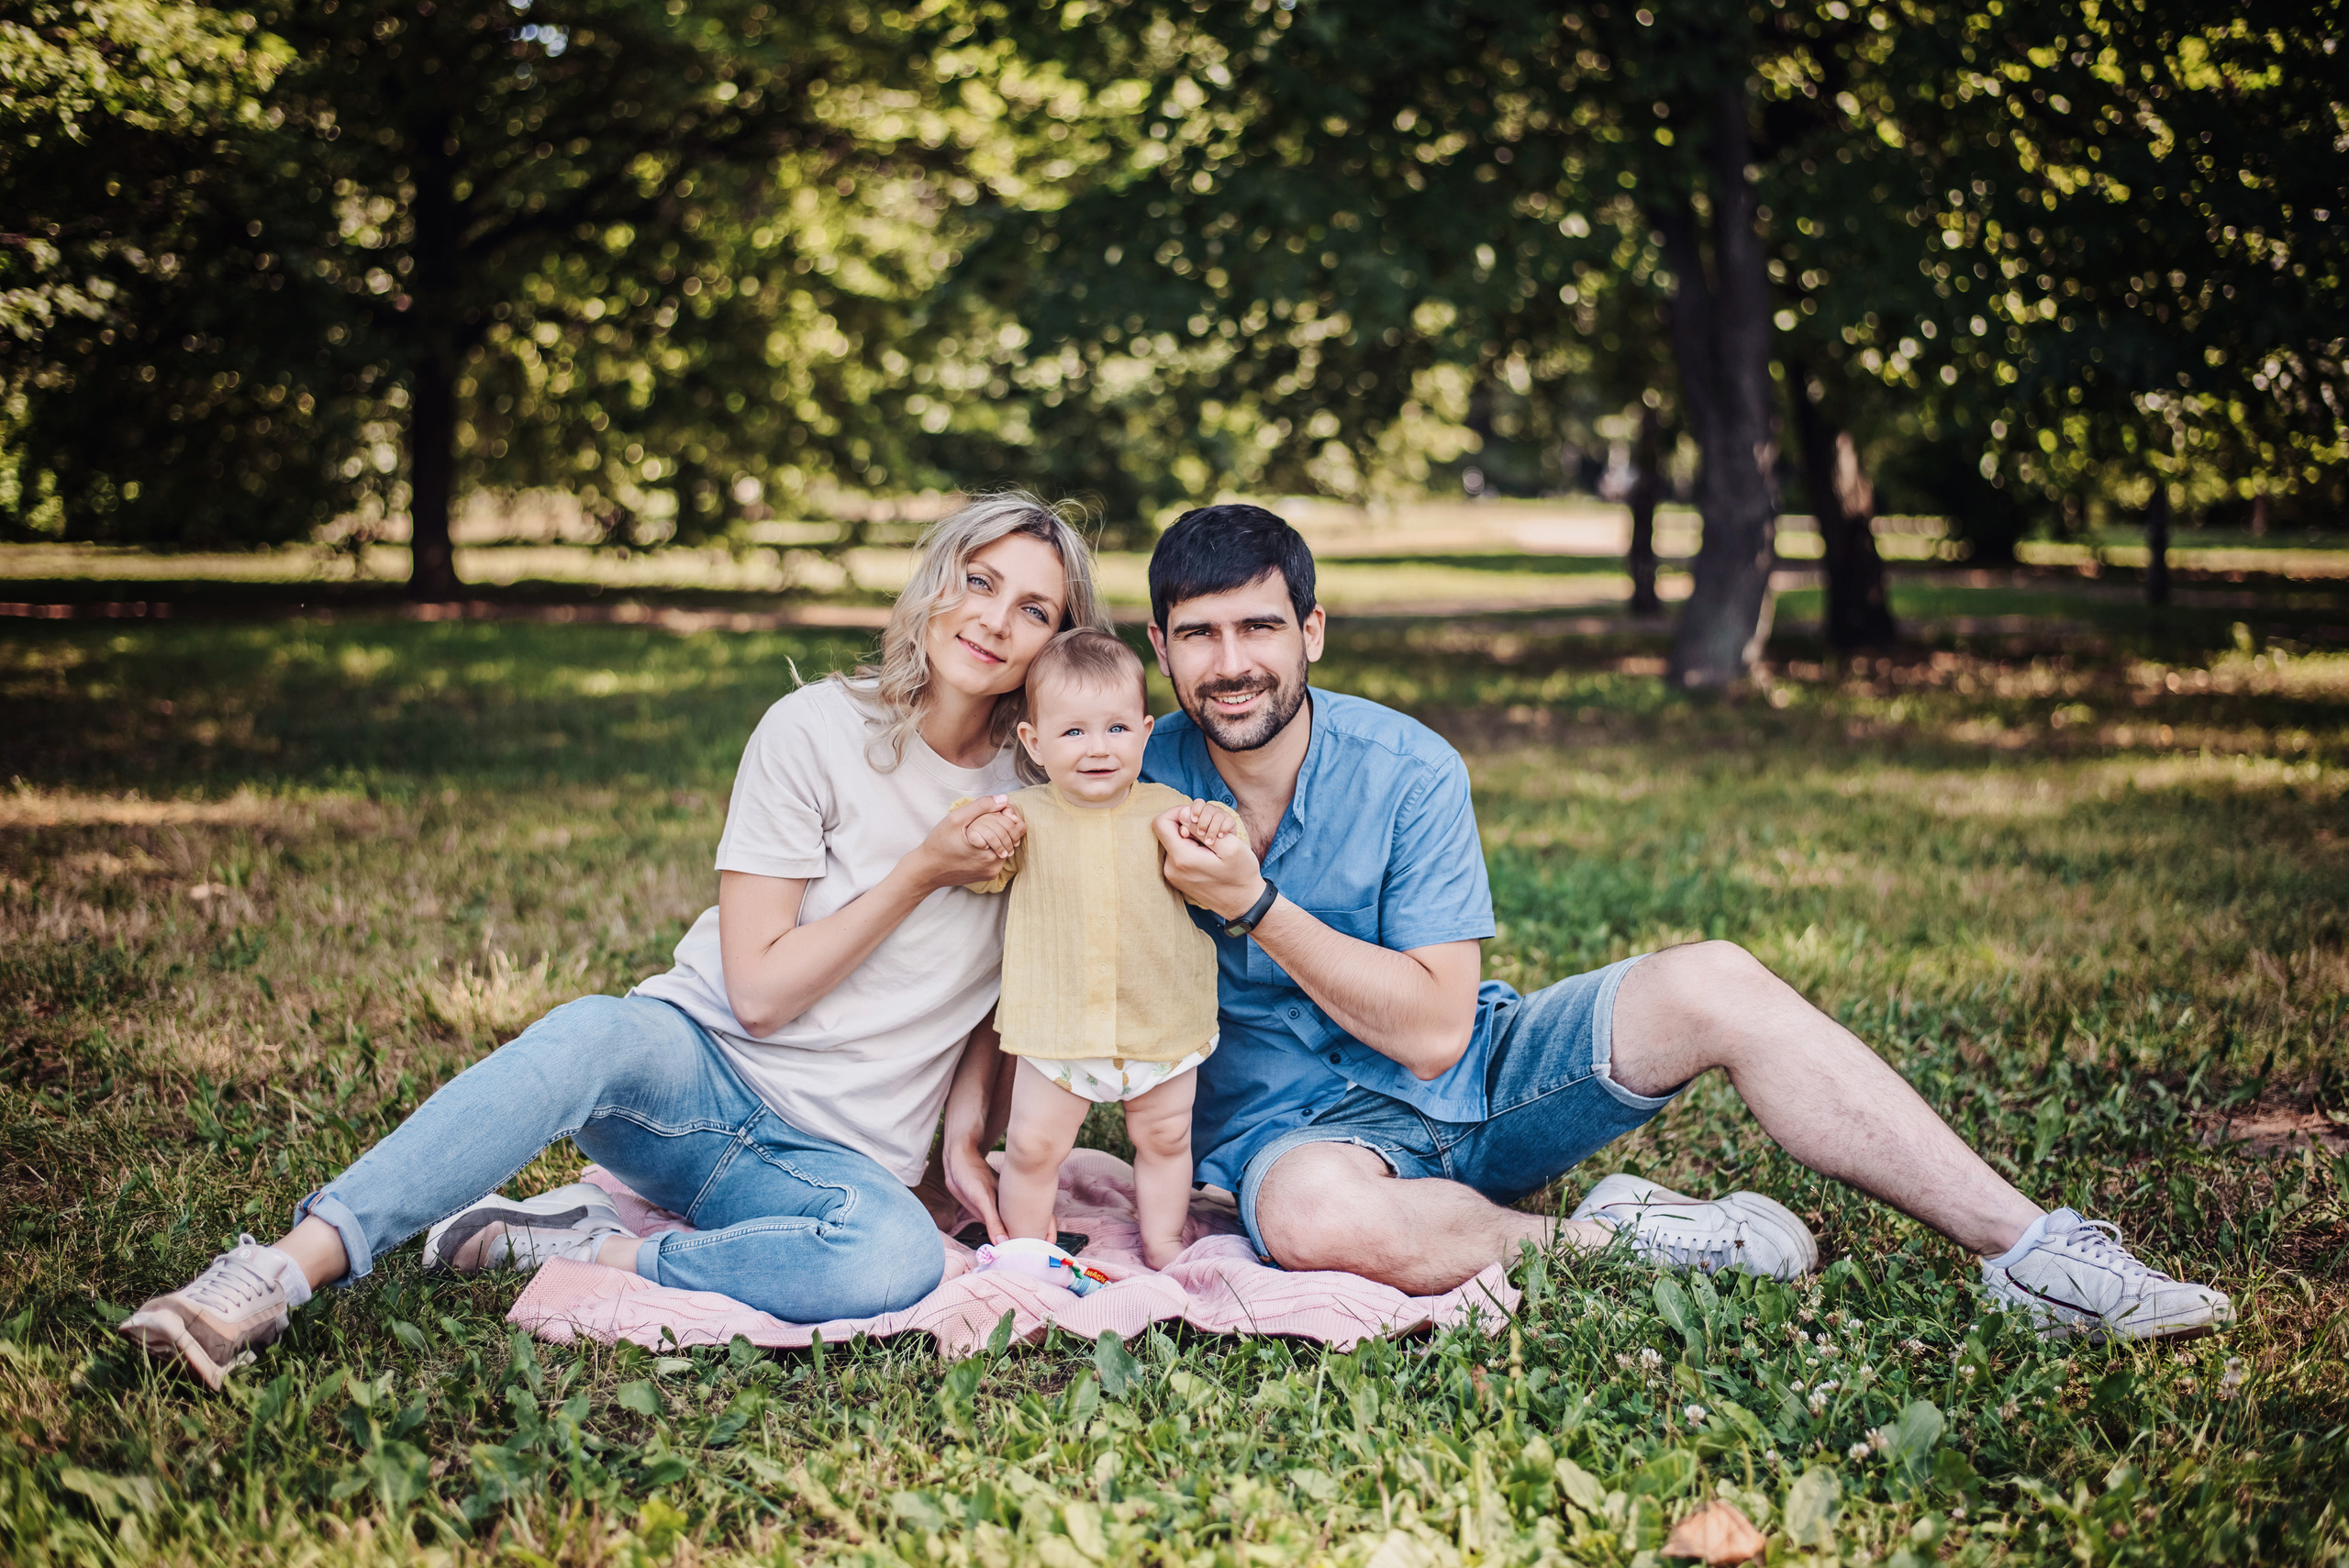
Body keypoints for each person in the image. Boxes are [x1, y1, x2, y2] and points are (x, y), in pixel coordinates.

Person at [1102, 501, 2230, 1342]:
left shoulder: (1408, 767)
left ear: (1312, 631)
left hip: (1481, 1083)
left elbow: (1441, 1034)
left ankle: (2032, 1249)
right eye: (1198, 635)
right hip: (1298, 1135)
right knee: (1310, 1216)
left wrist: (1255, 906)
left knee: (1717, 976)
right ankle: (1639, 1238)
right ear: (1159, 648)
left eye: (1258, 626)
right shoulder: (1126, 779)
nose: (1232, 662)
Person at [117, 492, 1108, 1390]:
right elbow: (757, 991)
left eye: (1034, 609)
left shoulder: (1047, 797)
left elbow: (998, 991)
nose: (993, 618)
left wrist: (962, 1136)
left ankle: (581, 1243)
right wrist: (920, 869)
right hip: (692, 1076)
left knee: (893, 1260)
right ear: (935, 583)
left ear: (1059, 644)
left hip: (832, 1159)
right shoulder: (810, 731)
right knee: (595, 1029)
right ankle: (283, 1267)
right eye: (978, 581)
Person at [956, 628, 1243, 1284]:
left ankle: (1165, 1243)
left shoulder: (1168, 811)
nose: (1098, 748)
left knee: (1166, 1139)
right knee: (1031, 1147)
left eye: (1116, 728)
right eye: (1074, 732)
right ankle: (1029, 1252)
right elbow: (979, 873)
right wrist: (980, 835)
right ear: (1033, 741)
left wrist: (1217, 830)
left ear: (1145, 733)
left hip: (1160, 1018)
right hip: (1060, 1026)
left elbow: (1219, 860)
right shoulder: (1022, 815)